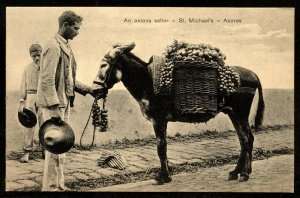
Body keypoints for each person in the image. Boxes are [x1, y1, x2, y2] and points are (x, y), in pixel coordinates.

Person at [36, 10, 96, 191]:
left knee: (60, 149)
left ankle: (59, 187)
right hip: (53, 105)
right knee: (54, 150)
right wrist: (54, 107)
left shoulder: (65, 46)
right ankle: (50, 189)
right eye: (76, 28)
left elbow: (68, 79)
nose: (78, 32)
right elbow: (46, 80)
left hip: (62, 103)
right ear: (65, 25)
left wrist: (88, 90)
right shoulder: (53, 46)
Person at [18, 43, 42, 163]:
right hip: (30, 97)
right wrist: (22, 102)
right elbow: (23, 86)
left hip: (43, 97)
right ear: (30, 56)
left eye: (39, 55)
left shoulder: (46, 67)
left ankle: (45, 150)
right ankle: (27, 152)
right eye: (34, 56)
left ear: (42, 53)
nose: (37, 58)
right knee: (29, 125)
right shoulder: (27, 69)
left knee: (45, 124)